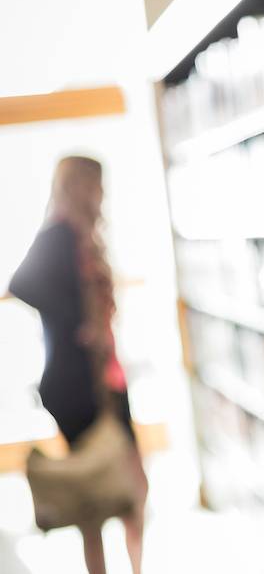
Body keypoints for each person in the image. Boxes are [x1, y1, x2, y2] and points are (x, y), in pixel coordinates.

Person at [6, 155, 147, 574]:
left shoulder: (85, 237)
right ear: (80, 186)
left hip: (104, 378)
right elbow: (21, 284)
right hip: (76, 384)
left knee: (125, 488)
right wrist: (76, 324)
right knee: (98, 495)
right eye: (96, 185)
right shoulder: (58, 236)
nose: (101, 194)